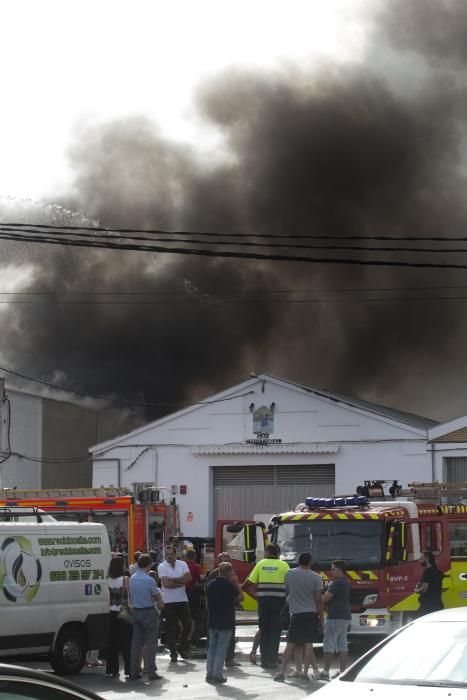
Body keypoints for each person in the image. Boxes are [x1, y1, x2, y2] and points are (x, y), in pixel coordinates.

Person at [274, 552, 323, 682]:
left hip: (295, 613)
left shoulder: (289, 574)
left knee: (290, 644)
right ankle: (305, 673)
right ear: (310, 562)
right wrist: (321, 617)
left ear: (299, 561)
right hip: (311, 613)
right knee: (308, 644)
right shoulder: (316, 577)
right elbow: (318, 599)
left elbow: (288, 591)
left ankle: (282, 672)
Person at [244, 543, 289, 669]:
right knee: (275, 631)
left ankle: (264, 661)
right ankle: (272, 660)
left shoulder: (261, 564)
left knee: (264, 630)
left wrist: (257, 596)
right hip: (279, 603)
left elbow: (248, 583)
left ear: (268, 552)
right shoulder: (284, 565)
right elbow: (289, 584)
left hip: (264, 603)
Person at [205, 562, 244, 684]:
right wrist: (237, 584)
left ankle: (209, 673)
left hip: (212, 620)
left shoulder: (210, 585)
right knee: (222, 649)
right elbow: (241, 597)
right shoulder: (230, 587)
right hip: (226, 621)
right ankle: (217, 674)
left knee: (212, 648)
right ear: (229, 572)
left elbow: (207, 603)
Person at [128, 553, 163, 681]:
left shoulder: (132, 578)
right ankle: (151, 671)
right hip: (148, 611)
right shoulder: (149, 579)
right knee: (151, 643)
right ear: (149, 565)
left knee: (136, 643)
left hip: (136, 611)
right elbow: (157, 597)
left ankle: (134, 671)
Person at [158, 544, 192, 662]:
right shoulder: (162, 566)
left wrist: (172, 579)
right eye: (167, 554)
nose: (169, 556)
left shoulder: (182, 564)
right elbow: (166, 585)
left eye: (171, 554)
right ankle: (173, 653)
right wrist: (180, 581)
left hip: (183, 600)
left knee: (188, 625)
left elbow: (188, 578)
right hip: (169, 602)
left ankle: (181, 646)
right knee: (170, 629)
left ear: (175, 554)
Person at [320, 559, 351, 680]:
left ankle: (325, 672)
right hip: (345, 616)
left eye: (332, 569)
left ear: (339, 570)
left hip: (335, 617)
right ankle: (342, 672)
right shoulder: (347, 582)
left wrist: (323, 593)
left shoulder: (337, 583)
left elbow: (325, 599)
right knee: (343, 645)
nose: (331, 571)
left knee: (329, 644)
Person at [106, 556, 132, 678]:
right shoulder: (125, 579)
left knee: (113, 643)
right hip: (124, 613)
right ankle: (129, 670)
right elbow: (129, 596)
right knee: (127, 642)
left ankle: (113, 669)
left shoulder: (107, 579)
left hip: (111, 613)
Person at [415, 550, 444, 617]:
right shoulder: (438, 572)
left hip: (427, 607)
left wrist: (416, 590)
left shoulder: (427, 572)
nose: (419, 561)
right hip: (437, 605)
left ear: (427, 558)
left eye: (421, 558)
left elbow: (424, 590)